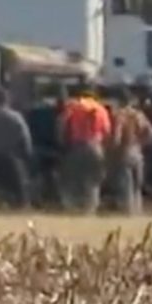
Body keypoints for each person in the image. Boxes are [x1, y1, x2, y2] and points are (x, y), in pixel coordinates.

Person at [57, 83, 112, 213]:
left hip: (77, 147)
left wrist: (62, 142)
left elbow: (61, 124)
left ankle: (72, 209)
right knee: (93, 182)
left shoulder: (73, 106)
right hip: (95, 147)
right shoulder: (101, 109)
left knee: (73, 179)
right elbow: (107, 132)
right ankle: (89, 210)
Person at [107, 88, 152, 214]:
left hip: (124, 152)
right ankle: (137, 212)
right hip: (137, 152)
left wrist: (112, 150)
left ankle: (127, 213)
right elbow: (151, 133)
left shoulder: (120, 115)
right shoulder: (139, 115)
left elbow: (116, 136)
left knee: (125, 186)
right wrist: (141, 144)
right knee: (137, 187)